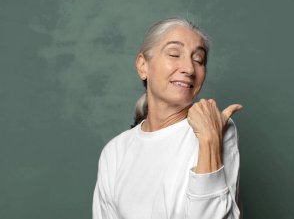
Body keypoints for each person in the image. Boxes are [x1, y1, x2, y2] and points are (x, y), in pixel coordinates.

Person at [92, 17, 243, 219]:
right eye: (174, 54)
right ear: (143, 65)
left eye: (198, 60)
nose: (189, 69)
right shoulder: (115, 151)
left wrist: (210, 141)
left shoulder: (217, 128)